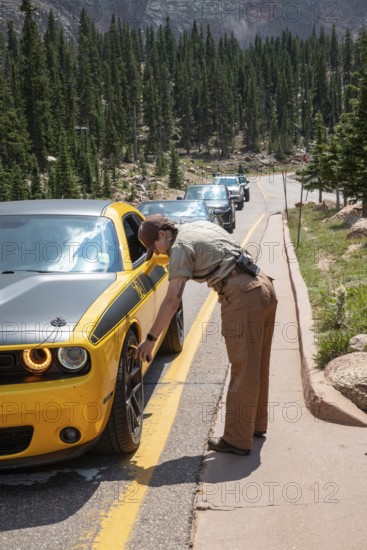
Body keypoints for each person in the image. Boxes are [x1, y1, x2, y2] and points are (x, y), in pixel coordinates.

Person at [135, 214, 278, 456]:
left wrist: (150, 340)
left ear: (162, 234)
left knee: (243, 368)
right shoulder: (197, 226)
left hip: (241, 295)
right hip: (263, 285)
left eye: (154, 247)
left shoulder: (179, 246)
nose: (157, 253)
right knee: (257, 364)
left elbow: (172, 300)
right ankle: (254, 425)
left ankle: (237, 440)